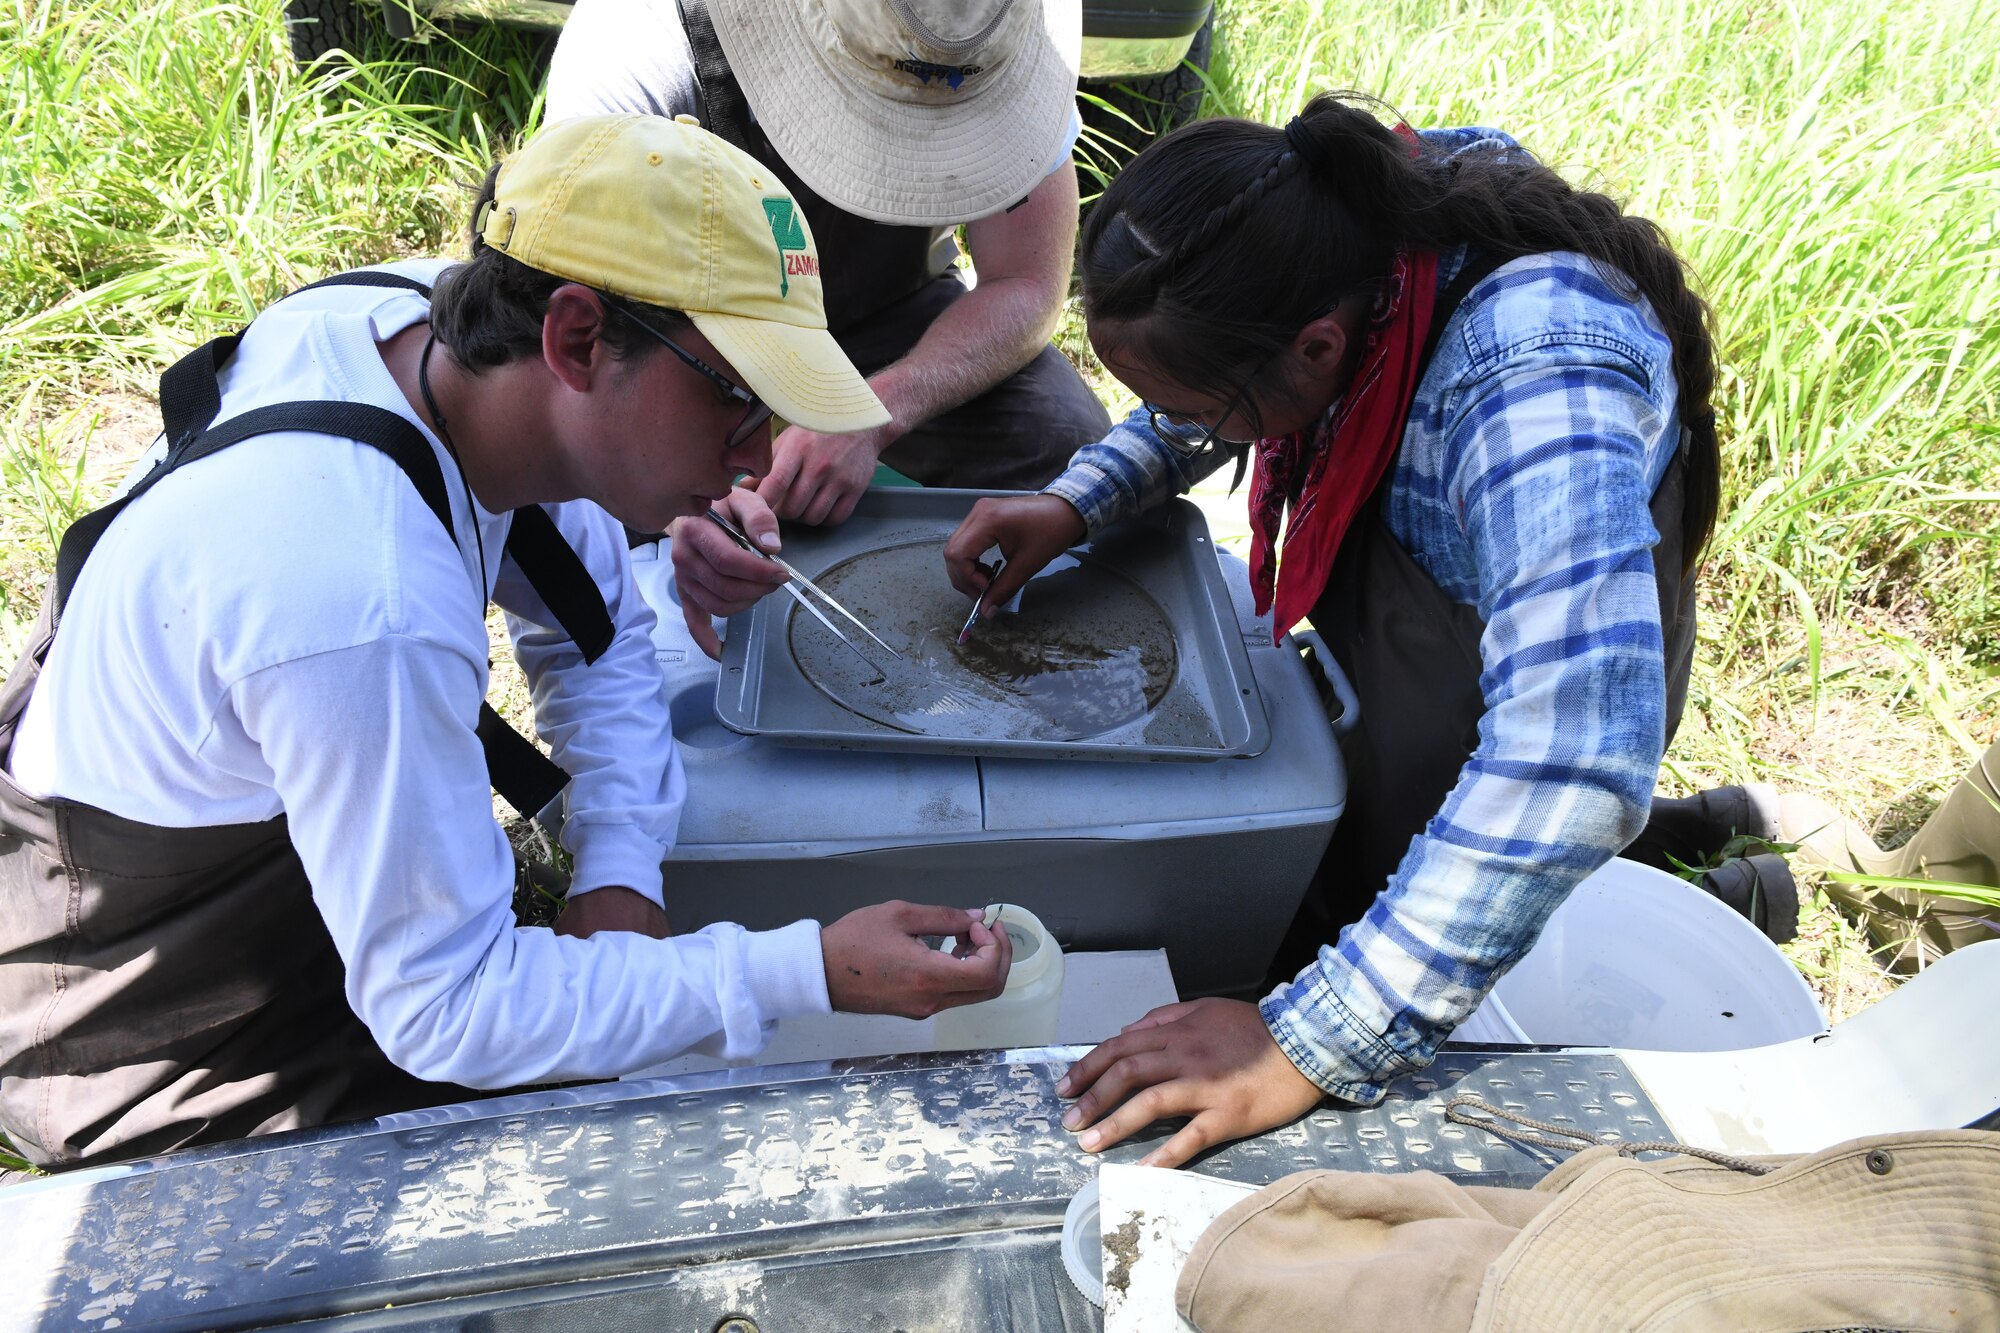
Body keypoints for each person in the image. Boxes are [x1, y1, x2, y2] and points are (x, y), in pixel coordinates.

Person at [0, 114, 1008, 1172]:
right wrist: (807, 972)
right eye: (735, 397)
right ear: (576, 339)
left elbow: (599, 633)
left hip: (273, 860)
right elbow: (449, 1009)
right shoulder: (361, 594)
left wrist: (617, 874)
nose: (757, 454)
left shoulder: (435, 338)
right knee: (614, 1179)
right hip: (138, 1019)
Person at [942, 92, 1724, 1167]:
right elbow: (1208, 383)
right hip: (1412, 650)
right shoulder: (1336, 227)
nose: (1193, 430)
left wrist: (1306, 1040)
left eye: (1207, 417)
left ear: (1316, 349)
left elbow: (1569, 756)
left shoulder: (1531, 380)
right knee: (1371, 830)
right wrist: (1080, 497)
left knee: (1506, 881)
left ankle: (1699, 895)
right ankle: (1675, 852)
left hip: (1533, 675)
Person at [545, 0, 1111, 545]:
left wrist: (875, 415)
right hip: (682, 338)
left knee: (1069, 448)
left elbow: (1026, 282)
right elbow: (569, 334)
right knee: (614, 512)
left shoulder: (992, 39)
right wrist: (675, 508)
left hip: (887, 319)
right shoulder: (641, 44)